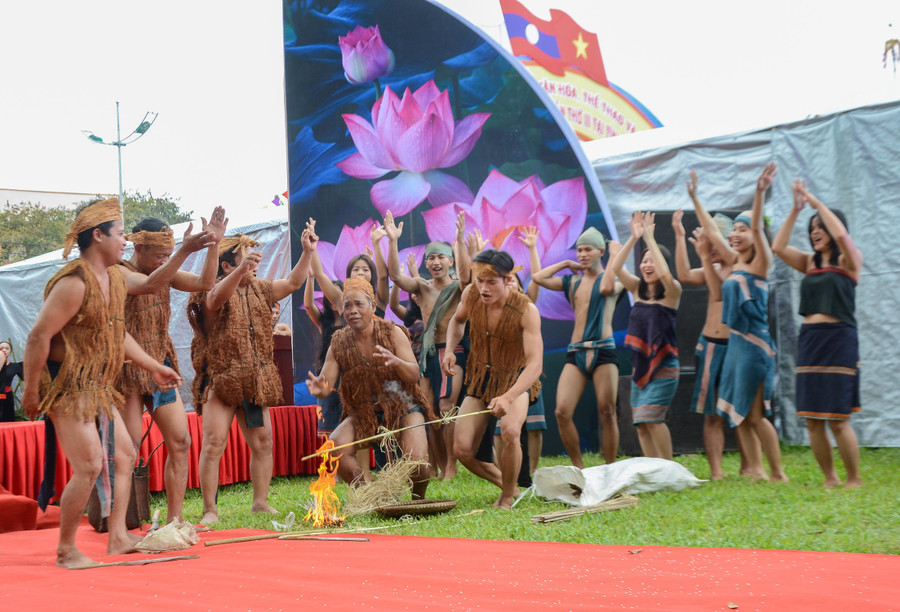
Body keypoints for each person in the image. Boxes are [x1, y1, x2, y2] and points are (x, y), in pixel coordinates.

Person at [21, 198, 182, 568]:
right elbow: (37, 338)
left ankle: (118, 538)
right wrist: (30, 391)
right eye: (121, 234)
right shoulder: (74, 283)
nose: (125, 241)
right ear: (98, 235)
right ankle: (66, 550)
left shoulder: (112, 278)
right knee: (91, 464)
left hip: (97, 384)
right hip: (67, 386)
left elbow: (117, 332)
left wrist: (154, 366)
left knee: (125, 455)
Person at [187, 229, 314, 524]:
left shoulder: (261, 289)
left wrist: (307, 252)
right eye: (246, 262)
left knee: (263, 442)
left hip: (254, 381)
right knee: (214, 443)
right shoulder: (209, 289)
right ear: (227, 267)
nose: (254, 266)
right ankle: (210, 510)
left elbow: (294, 282)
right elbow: (216, 298)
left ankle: (260, 502)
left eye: (253, 263)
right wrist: (241, 272)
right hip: (220, 381)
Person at [116, 209, 226, 523]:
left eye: (169, 253)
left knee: (180, 441)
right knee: (129, 449)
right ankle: (119, 522)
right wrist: (183, 251)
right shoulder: (119, 272)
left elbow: (205, 282)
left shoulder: (165, 269)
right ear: (138, 248)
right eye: (160, 254)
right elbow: (149, 284)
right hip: (127, 369)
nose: (166, 260)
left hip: (161, 367)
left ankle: (175, 521)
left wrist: (213, 245)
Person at [690, 163, 788, 481]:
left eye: (741, 230)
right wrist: (695, 198)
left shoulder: (761, 263)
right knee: (739, 415)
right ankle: (755, 470)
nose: (735, 235)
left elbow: (758, 228)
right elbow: (713, 232)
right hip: (736, 345)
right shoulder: (733, 262)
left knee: (757, 415)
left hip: (755, 345)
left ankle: (777, 472)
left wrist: (759, 192)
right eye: (734, 231)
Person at [305, 278, 435, 498]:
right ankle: (367, 496)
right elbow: (326, 384)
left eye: (359, 304)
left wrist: (397, 362)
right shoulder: (338, 342)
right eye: (347, 306)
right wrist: (320, 388)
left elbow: (414, 374)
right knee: (336, 446)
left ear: (373, 307)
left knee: (419, 464)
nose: (353, 311)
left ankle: (418, 498)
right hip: (363, 411)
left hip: (403, 405)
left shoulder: (392, 332)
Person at [773, 179, 862, 487]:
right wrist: (796, 212)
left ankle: (853, 479)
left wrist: (816, 202)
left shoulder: (849, 261)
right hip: (810, 340)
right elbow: (778, 247)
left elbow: (841, 234)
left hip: (839, 339)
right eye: (812, 228)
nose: (815, 232)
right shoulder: (809, 262)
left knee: (838, 417)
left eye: (820, 226)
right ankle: (830, 478)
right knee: (812, 418)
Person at [443, 249, 543, 508]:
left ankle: (508, 496)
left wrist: (509, 397)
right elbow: (456, 321)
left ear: (508, 280)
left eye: (491, 281)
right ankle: (509, 486)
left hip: (515, 379)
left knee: (510, 431)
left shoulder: (526, 310)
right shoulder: (470, 295)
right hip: (481, 378)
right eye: (479, 280)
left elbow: (535, 364)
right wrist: (451, 350)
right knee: (462, 449)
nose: (483, 288)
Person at [385, 209, 470, 479]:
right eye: (431, 257)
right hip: (426, 357)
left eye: (441, 257)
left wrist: (460, 239)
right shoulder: (422, 286)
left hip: (452, 352)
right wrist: (392, 241)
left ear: (450, 262)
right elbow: (396, 278)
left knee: (446, 409)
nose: (435, 261)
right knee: (430, 412)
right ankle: (434, 464)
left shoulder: (458, 287)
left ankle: (451, 466)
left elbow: (468, 278)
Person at [532, 226, 622, 467]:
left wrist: (615, 256)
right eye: (579, 250)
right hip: (576, 351)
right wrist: (564, 263)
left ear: (600, 251)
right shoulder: (572, 281)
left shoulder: (612, 279)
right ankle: (579, 467)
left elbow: (608, 288)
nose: (582, 254)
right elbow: (538, 278)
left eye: (588, 249)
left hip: (603, 349)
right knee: (562, 411)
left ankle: (610, 467)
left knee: (607, 411)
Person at [606, 212, 681, 459]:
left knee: (653, 417)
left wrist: (649, 237)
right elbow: (616, 267)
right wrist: (634, 237)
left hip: (664, 365)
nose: (648, 266)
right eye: (644, 261)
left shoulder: (672, 291)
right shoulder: (637, 289)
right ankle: (653, 469)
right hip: (641, 366)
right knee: (641, 421)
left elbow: (667, 275)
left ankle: (668, 467)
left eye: (653, 262)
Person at [490, 226, 547, 478]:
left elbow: (537, 278)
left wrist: (533, 248)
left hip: (526, 375)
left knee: (533, 425)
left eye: (513, 279)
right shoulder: (490, 307)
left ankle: (532, 471)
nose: (509, 281)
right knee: (501, 427)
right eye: (506, 279)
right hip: (500, 376)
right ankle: (505, 475)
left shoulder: (527, 306)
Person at [1, 340, 24, 422]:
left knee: (8, 419)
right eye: (1, 348)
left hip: (7, 396)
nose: (4, 350)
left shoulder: (15, 366)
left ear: (10, 351)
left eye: (7, 348)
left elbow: (25, 379)